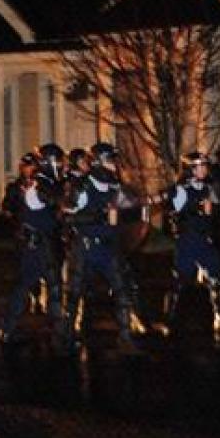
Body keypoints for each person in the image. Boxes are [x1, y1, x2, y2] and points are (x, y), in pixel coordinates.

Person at [62, 142, 144, 356]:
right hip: (86, 249)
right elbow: (67, 216)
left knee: (123, 292)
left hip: (109, 248)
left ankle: (125, 338)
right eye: (110, 161)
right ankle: (66, 337)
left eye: (114, 161)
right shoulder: (82, 186)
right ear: (98, 162)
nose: (114, 166)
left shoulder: (116, 187)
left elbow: (132, 210)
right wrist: (98, 215)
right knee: (74, 294)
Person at [159, 152, 220, 336]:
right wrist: (195, 207)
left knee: (217, 280)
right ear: (190, 169)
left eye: (205, 166)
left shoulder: (208, 187)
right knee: (179, 282)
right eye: (199, 166)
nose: (203, 169)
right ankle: (167, 320)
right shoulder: (181, 189)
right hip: (188, 241)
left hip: (205, 240)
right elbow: (172, 209)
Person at [0, 152, 65, 345]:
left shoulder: (44, 183)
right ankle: (8, 328)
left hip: (44, 242)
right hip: (34, 244)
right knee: (27, 286)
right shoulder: (38, 185)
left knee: (53, 286)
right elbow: (51, 200)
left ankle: (58, 331)